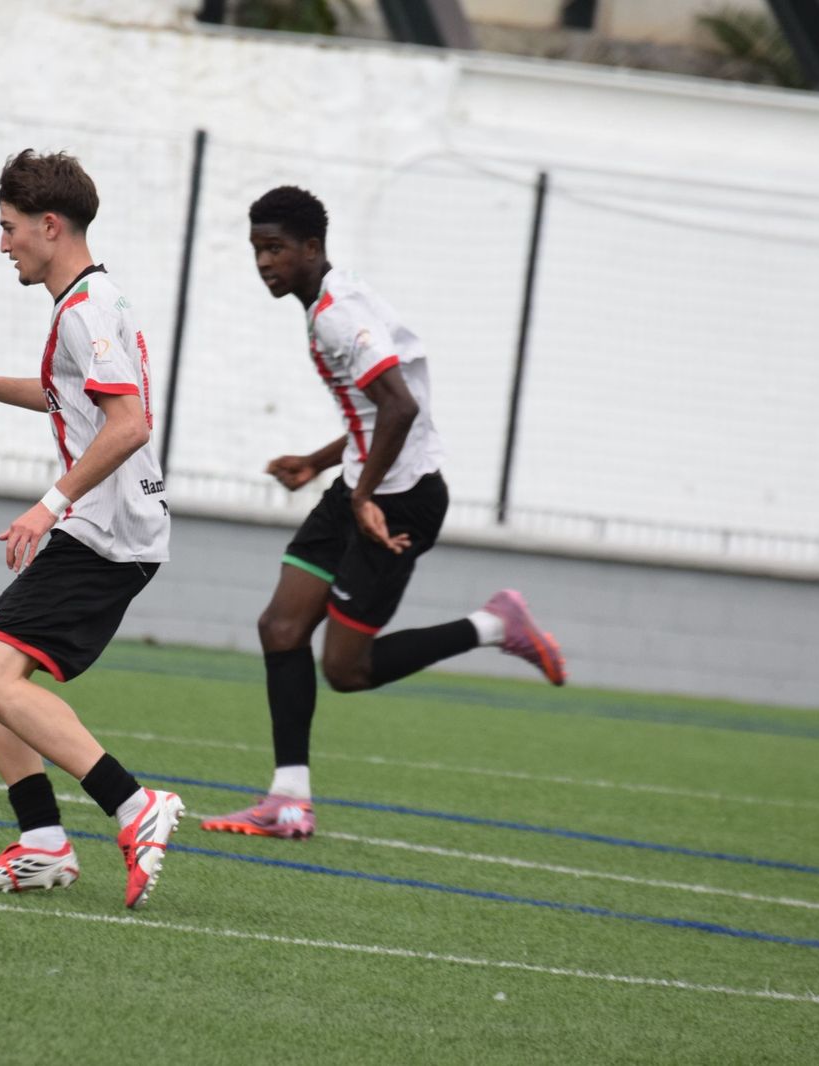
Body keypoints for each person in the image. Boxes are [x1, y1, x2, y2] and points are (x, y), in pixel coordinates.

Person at [201, 186, 566, 841]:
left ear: (312, 248)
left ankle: (493, 624)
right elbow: (377, 411)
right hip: (360, 488)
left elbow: (401, 408)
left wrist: (366, 497)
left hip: (399, 501)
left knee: (346, 669)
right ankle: (288, 800)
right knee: (282, 628)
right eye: (257, 249)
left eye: (276, 248)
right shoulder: (329, 303)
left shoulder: (340, 314)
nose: (264, 262)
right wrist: (318, 463)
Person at [0, 149, 183, 910]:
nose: (3, 245)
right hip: (101, 525)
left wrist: (49, 502)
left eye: (8, 229)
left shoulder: (89, 308)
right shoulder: (82, 305)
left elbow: (127, 425)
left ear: (49, 224)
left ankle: (136, 807)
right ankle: (41, 843)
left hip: (111, 533)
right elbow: (68, 394)